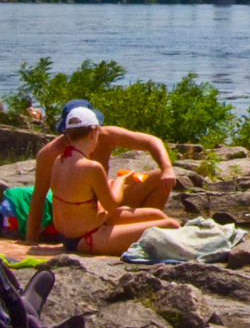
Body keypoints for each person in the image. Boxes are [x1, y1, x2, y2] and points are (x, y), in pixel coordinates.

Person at [24, 100, 180, 254]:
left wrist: (167, 169)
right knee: (171, 226)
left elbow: (152, 141)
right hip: (87, 233)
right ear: (94, 131)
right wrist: (121, 181)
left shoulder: (61, 159)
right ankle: (136, 238)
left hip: (94, 216)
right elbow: (39, 196)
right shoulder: (53, 155)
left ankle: (133, 234)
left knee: (157, 213)